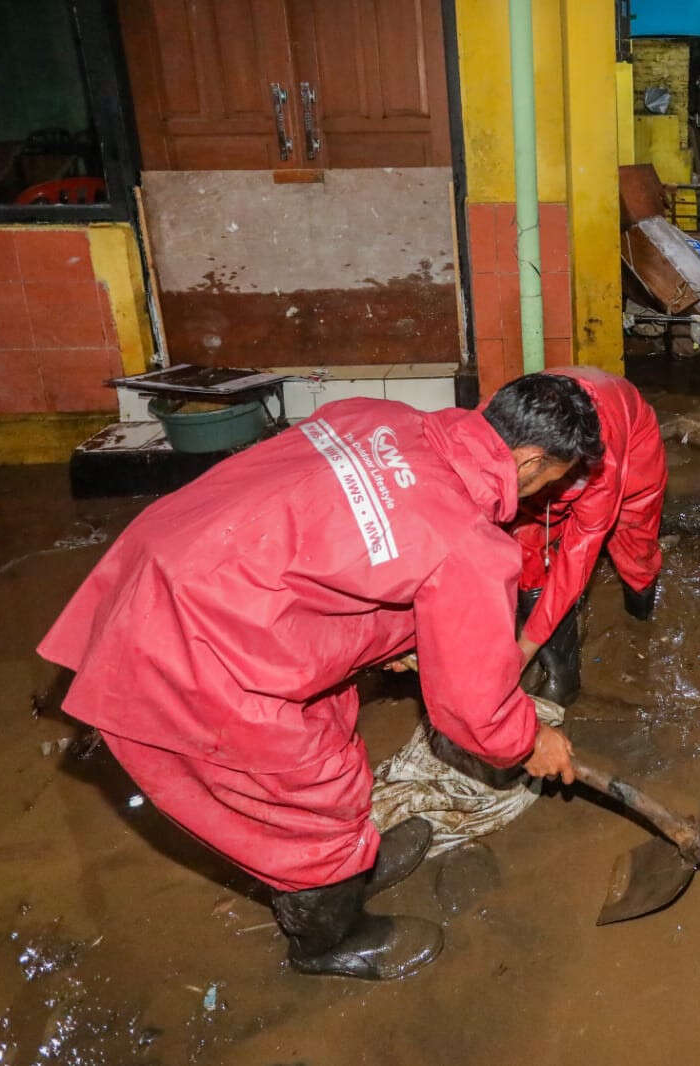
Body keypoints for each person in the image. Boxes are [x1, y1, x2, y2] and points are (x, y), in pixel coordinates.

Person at [37, 374, 603, 982]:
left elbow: (350, 537)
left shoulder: (377, 415)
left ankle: (353, 865)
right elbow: (473, 708)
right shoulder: (469, 547)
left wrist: (402, 637)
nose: (553, 491)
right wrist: (529, 741)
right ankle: (329, 938)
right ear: (528, 459)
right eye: (556, 477)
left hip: (182, 561)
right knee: (307, 796)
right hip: (199, 647)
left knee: (332, 723)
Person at [508, 367, 667, 707]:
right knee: (526, 548)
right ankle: (562, 675)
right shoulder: (492, 424)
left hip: (627, 439)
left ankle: (639, 612)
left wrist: (522, 650)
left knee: (633, 541)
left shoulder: (601, 468)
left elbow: (572, 571)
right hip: (540, 462)